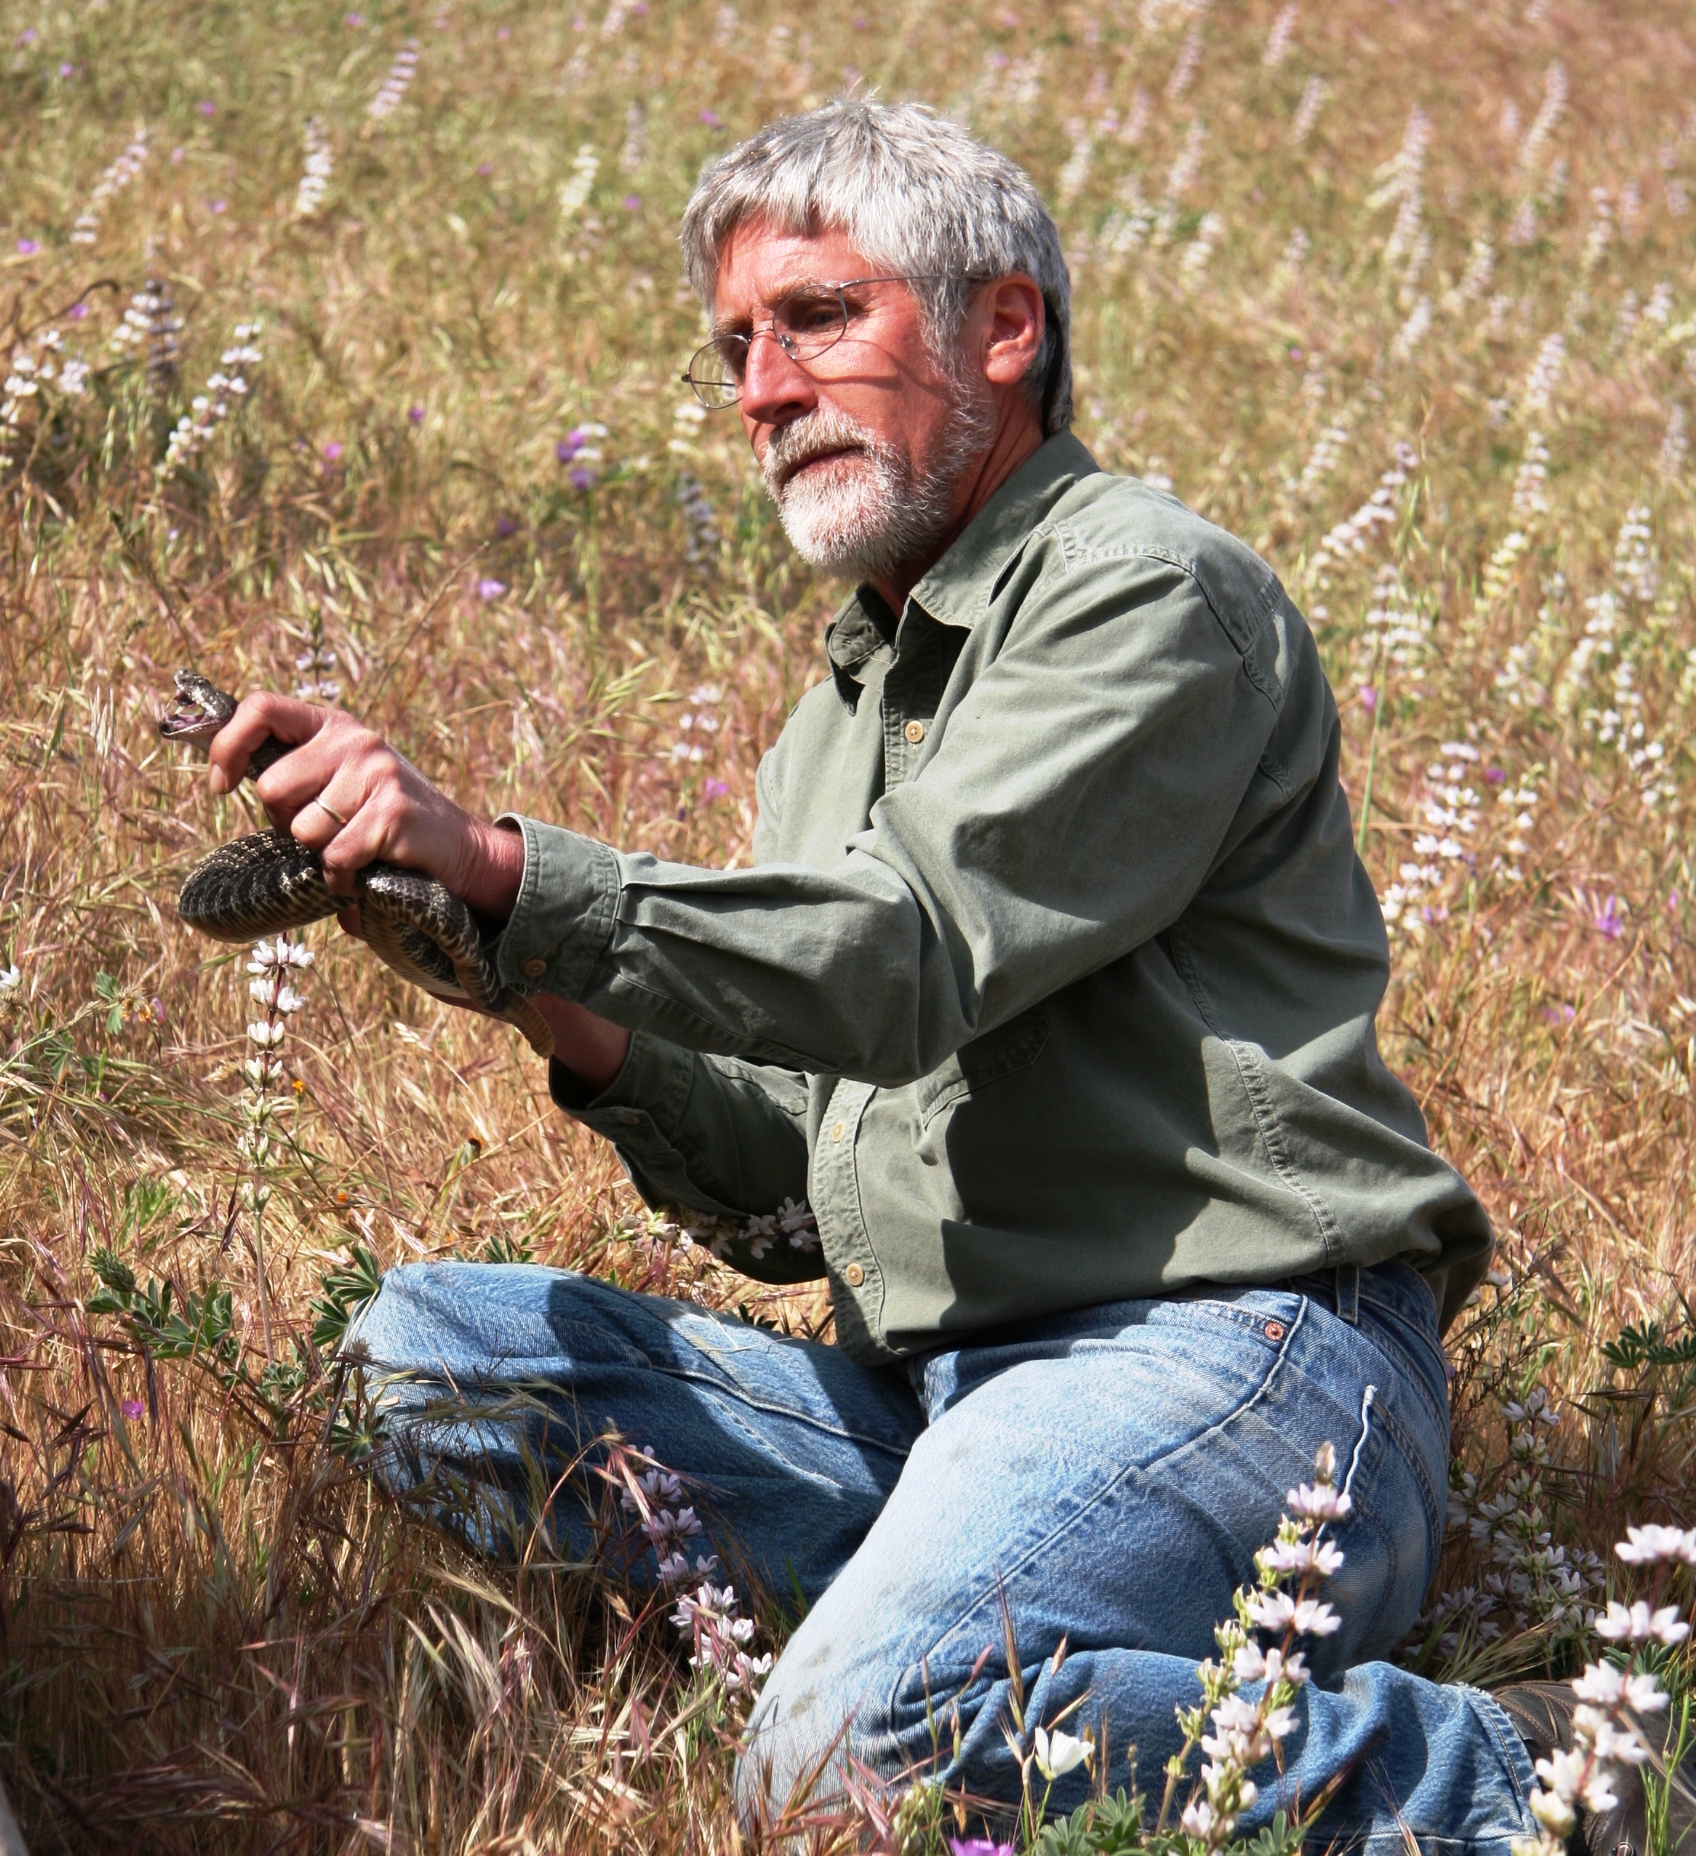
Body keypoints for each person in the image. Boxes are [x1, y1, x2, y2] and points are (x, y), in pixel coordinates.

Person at [205, 97, 1618, 1851]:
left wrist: (503, 856)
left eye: (818, 318)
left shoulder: (1148, 597)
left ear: (1003, 328)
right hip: (945, 1394)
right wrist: (492, 953)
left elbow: (906, 954)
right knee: (422, 1355)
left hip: (1241, 1360)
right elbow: (788, 1202)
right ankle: (998, 1639)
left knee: (838, 1758)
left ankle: (1554, 1774)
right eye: (734, 346)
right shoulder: (844, 706)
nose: (759, 392)